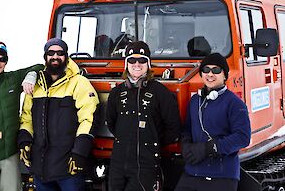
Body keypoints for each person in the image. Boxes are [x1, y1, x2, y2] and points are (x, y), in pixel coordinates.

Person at [17, 38, 99, 191]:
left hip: (69, 168)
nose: (55, 56)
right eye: (51, 53)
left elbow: (89, 118)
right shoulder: (36, 86)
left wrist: (79, 153)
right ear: (45, 57)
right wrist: (24, 141)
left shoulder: (79, 83)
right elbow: (26, 117)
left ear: (66, 57)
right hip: (41, 168)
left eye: (60, 53)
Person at [106, 40, 181, 191]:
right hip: (118, 164)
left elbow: (173, 128)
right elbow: (111, 123)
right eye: (132, 60)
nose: (137, 64)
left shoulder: (161, 93)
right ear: (126, 64)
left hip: (146, 165)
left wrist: (151, 140)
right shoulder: (116, 93)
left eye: (142, 60)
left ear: (148, 64)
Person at [174, 53, 251, 191]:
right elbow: (187, 129)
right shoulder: (195, 101)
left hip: (221, 176)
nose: (210, 74)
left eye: (216, 70)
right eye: (206, 70)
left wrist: (209, 148)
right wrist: (185, 145)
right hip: (192, 172)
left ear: (225, 75)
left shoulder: (235, 103)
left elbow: (243, 137)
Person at [0, 41, 43, 191]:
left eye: (2, 59)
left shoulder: (13, 79)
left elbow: (40, 66)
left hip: (10, 153)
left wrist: (31, 75)